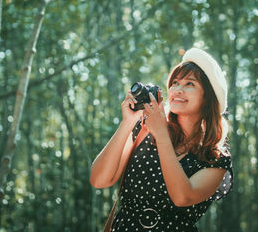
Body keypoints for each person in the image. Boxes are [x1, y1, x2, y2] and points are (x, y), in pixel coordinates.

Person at [90, 48, 233, 231]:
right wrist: (128, 122)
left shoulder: (216, 158)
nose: (178, 90)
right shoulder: (144, 131)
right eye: (175, 82)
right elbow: (99, 180)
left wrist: (162, 135)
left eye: (190, 84)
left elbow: (183, 197)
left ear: (208, 98)